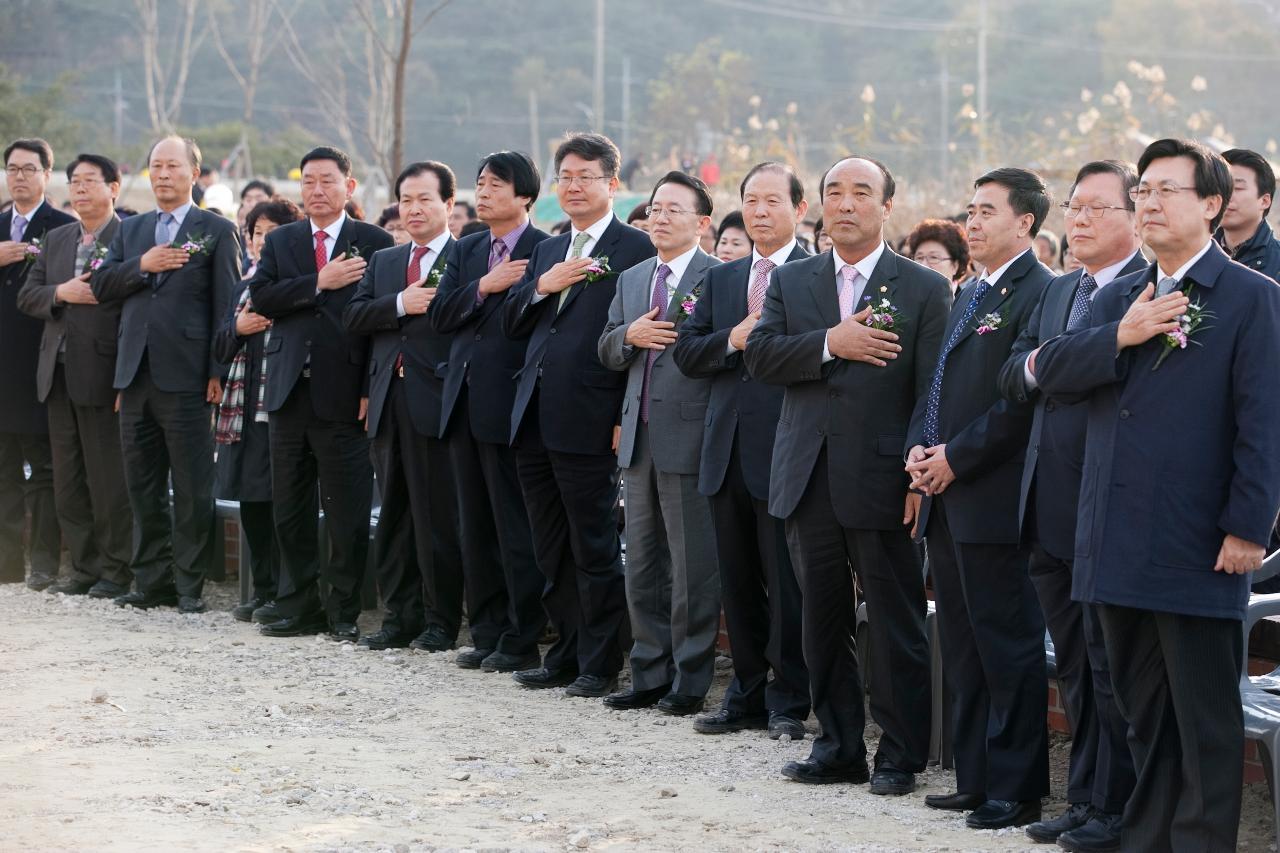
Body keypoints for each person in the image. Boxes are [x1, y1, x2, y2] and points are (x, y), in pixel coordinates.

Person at [1029, 138, 1280, 852]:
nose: (1149, 202)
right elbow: (1053, 371)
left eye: (1167, 190)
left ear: (1210, 204)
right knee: (1138, 708)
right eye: (1142, 190)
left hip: (1199, 541)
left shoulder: (1251, 298)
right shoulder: (1117, 294)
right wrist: (1124, 331)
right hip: (1112, 535)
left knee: (1203, 716)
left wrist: (1247, 527)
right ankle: (1148, 837)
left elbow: (1265, 425)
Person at [746, 156, 950, 794]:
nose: (846, 203)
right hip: (806, 475)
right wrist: (831, 343)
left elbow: (932, 391)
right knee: (820, 618)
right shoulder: (796, 279)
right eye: (835, 191)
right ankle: (837, 745)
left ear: (888, 206)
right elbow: (761, 356)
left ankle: (899, 753)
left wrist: (918, 475)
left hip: (884, 476)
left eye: (862, 192)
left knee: (894, 622)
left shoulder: (920, 287)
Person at [998, 160, 1145, 851]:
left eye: (1096, 207)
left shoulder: (1150, 291)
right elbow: (1016, 372)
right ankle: (1084, 797)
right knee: (1077, 670)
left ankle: (1119, 807)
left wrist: (1053, 363)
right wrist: (1049, 364)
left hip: (1108, 506)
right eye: (1074, 207)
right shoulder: (1059, 291)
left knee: (1112, 668)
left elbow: (1098, 370)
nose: (1077, 219)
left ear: (1135, 214)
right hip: (1046, 503)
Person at [905, 167, 1055, 829]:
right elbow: (935, 382)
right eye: (970, 208)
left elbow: (1017, 403)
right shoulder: (969, 289)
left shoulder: (1040, 292)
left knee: (1006, 645)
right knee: (963, 645)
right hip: (944, 494)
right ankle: (975, 775)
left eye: (988, 210)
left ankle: (1016, 786)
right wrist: (919, 448)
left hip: (992, 495)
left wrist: (955, 459)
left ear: (1025, 221)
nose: (973, 220)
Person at [502, 132, 656, 698]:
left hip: (593, 415)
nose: (572, 185)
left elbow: (635, 338)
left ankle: (600, 660)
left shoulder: (634, 247)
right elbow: (513, 323)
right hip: (534, 413)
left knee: (593, 544)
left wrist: (622, 413)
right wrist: (542, 286)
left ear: (611, 184)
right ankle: (563, 651)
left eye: (584, 176)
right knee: (550, 545)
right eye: (564, 175)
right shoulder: (546, 249)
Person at [673, 161, 811, 739]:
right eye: (751, 201)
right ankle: (746, 692)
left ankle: (789, 699)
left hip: (787, 451)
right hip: (724, 449)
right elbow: (686, 351)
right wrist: (731, 338)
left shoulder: (817, 276)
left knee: (787, 585)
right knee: (738, 581)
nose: (759, 212)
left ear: (799, 210)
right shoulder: (723, 279)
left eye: (772, 201)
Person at [248, 146, 393, 640]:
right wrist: (319, 281)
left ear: (349, 187)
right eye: (307, 181)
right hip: (288, 391)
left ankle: (343, 612)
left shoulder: (373, 241)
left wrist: (372, 389)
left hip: (345, 393)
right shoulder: (283, 240)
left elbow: (379, 323)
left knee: (347, 511)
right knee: (289, 507)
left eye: (327, 181)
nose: (316, 190)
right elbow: (263, 298)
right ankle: (298, 605)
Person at [93, 136, 241, 614]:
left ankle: (187, 585)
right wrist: (143, 265)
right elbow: (102, 284)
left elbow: (226, 305)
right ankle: (149, 581)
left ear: (194, 173)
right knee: (143, 485)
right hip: (135, 377)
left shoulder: (215, 229)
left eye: (172, 166)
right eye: (155, 166)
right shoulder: (132, 231)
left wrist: (217, 368)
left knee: (194, 487)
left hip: (189, 377)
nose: (162, 174)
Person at [598, 171, 721, 715]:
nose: (660, 217)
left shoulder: (719, 277)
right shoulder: (632, 277)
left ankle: (690, 681)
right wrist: (629, 337)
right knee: (642, 561)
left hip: (691, 436)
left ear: (702, 221)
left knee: (692, 565)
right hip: (638, 436)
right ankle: (647, 671)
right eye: (654, 208)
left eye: (674, 209)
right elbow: (604, 347)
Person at [430, 151, 551, 672]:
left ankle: (521, 637)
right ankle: (485, 631)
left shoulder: (548, 248)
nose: (483, 192)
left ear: (524, 195)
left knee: (513, 526)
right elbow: (440, 313)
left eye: (496, 184)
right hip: (462, 402)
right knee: (472, 524)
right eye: (479, 183)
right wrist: (484, 286)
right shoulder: (468, 249)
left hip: (512, 407)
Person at [343, 161, 464, 653]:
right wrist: (400, 303)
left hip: (437, 402)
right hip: (388, 403)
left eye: (424, 200)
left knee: (437, 517)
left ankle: (441, 620)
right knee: (392, 514)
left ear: (448, 205)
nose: (413, 209)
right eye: (406, 200)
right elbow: (354, 315)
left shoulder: (465, 258)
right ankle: (399, 616)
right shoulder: (387, 262)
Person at [16, 153, 131, 599]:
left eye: (90, 181)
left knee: (107, 478)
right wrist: (61, 293)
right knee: (67, 479)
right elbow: (29, 295)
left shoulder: (127, 236)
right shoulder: (59, 237)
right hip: (55, 373)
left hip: (102, 373)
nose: (80, 189)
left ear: (114, 187)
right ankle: (83, 568)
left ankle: (116, 570)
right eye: (75, 182)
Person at [214, 197, 302, 623]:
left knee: (284, 501)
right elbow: (218, 347)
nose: (262, 241)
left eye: (272, 233)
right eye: (256, 233)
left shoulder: (298, 283)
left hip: (283, 405)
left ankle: (287, 591)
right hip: (244, 408)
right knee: (252, 501)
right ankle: (264, 588)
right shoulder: (241, 287)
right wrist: (237, 327)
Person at [0, 138, 73, 589]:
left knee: (45, 470)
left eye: (29, 169)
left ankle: (44, 564)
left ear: (48, 175)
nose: (19, 176)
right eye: (12, 168)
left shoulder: (63, 226)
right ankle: (6, 565)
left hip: (43, 364)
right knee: (3, 469)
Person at [1216, 147, 1280, 280]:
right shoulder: (1194, 254)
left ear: (1264, 201)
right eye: (1221, 186)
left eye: (1237, 188)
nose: (1225, 195)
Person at [904, 218, 970, 301]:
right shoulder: (904, 301)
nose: (924, 265)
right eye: (919, 258)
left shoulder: (967, 304)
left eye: (934, 257)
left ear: (955, 266)